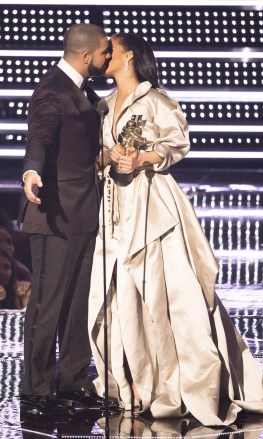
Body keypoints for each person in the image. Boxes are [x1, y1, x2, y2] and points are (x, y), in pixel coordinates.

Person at [88, 32, 263, 426]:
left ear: (128, 56)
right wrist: (107, 156)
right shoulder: (102, 106)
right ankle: (132, 382)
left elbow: (177, 143)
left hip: (152, 208)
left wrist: (144, 157)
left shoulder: (156, 100)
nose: (103, 53)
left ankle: (178, 383)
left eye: (110, 48)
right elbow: (91, 155)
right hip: (112, 207)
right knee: (116, 296)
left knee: (169, 296)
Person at [17, 23, 116, 416]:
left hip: (83, 214)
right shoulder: (51, 90)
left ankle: (73, 381)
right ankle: (35, 390)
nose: (109, 57)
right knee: (46, 305)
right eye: (106, 52)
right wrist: (31, 170)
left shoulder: (83, 91)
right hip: (53, 215)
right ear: (87, 56)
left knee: (76, 304)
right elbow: (38, 136)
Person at [0, 245, 31, 310]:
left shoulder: (14, 292)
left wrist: (26, 297)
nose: (1, 272)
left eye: (6, 267)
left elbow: (29, 319)